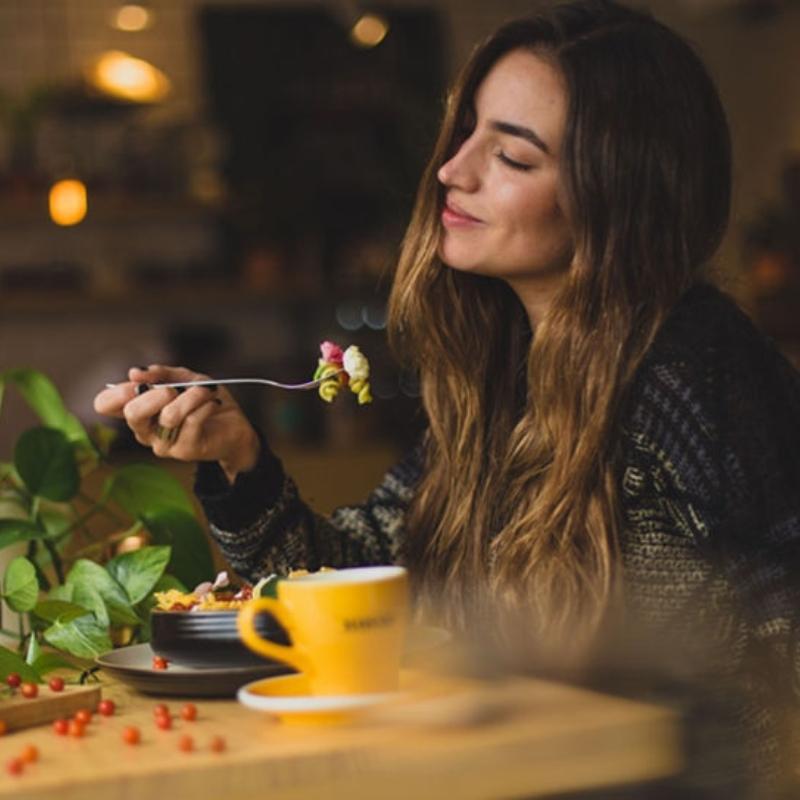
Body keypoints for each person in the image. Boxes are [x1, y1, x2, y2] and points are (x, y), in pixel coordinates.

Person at [95, 0, 799, 790]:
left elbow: (774, 644)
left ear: (617, 197)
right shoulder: (506, 377)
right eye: (467, 132)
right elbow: (369, 588)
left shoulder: (692, 371)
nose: (451, 170)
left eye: (515, 158)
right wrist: (239, 457)